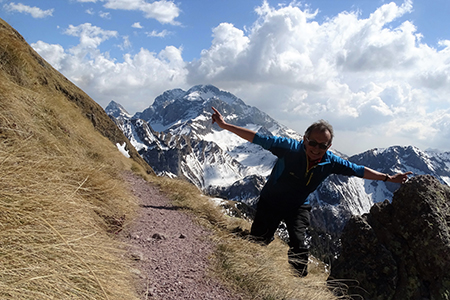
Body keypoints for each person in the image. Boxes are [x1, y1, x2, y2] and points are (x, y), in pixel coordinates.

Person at [211, 106, 412, 277]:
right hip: (271, 201)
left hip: (298, 206)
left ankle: (297, 283)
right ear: (304, 139)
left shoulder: (331, 161)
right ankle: (247, 271)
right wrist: (225, 125)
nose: (316, 148)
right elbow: (258, 138)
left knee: (300, 245)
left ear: (329, 146)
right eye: (313, 143)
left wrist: (388, 178)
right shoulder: (289, 147)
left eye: (322, 145)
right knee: (258, 241)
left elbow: (359, 170)